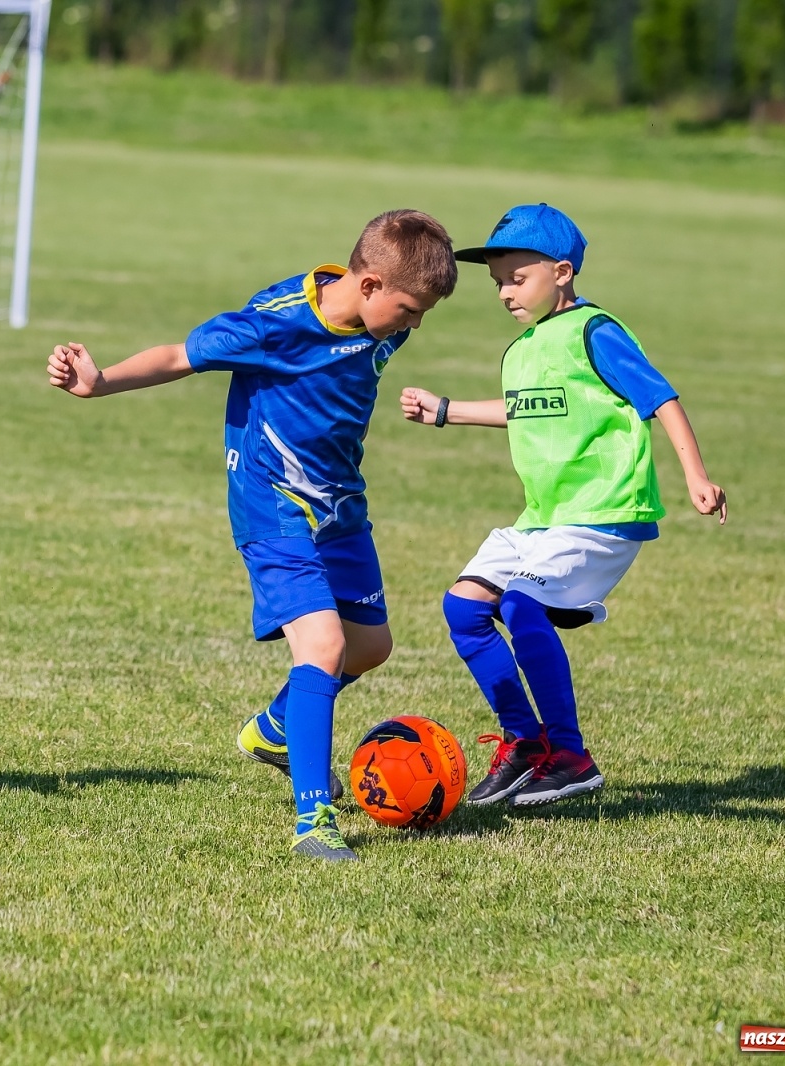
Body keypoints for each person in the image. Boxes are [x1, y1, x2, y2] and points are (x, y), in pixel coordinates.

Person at [48, 210, 458, 861]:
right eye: (410, 309)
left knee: (369, 647)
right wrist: (99, 384)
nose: (415, 326)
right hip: (274, 507)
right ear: (372, 284)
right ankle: (313, 822)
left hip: (341, 509)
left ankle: (272, 731)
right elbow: (181, 354)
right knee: (322, 647)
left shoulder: (386, 325)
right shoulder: (279, 321)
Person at [400, 203, 726, 809]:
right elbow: (523, 409)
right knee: (464, 608)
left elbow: (661, 399)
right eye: (497, 281)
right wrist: (447, 410)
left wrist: (696, 477)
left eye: (517, 278)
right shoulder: (522, 349)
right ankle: (526, 743)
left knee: (522, 604)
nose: (504, 292)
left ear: (563, 272)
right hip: (543, 519)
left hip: (603, 513)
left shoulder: (595, 332)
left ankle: (570, 756)